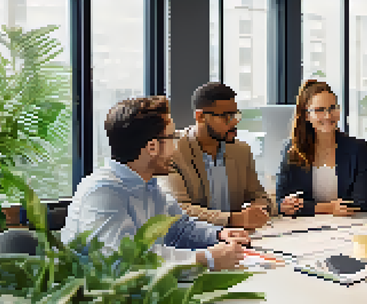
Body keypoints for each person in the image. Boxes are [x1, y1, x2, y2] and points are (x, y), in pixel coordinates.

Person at [61, 96, 250, 271]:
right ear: (152, 147)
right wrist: (204, 258)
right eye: (173, 138)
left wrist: (218, 235)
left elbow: (179, 229)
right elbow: (124, 261)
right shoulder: (103, 193)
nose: (176, 148)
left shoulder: (150, 187)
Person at [156, 82, 272, 230]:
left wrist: (257, 210)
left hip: (241, 238)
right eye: (227, 117)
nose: (235, 122)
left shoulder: (241, 150)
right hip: (194, 242)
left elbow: (261, 197)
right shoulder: (172, 151)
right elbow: (178, 209)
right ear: (201, 117)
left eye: (236, 115)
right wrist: (233, 219)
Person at [276, 79, 367, 217]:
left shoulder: (357, 149)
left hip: (348, 225)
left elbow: (360, 202)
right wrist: (329, 208)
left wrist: (306, 206)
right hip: (305, 228)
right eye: (319, 110)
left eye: (333, 108)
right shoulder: (292, 150)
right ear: (306, 115)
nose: (328, 116)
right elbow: (282, 203)